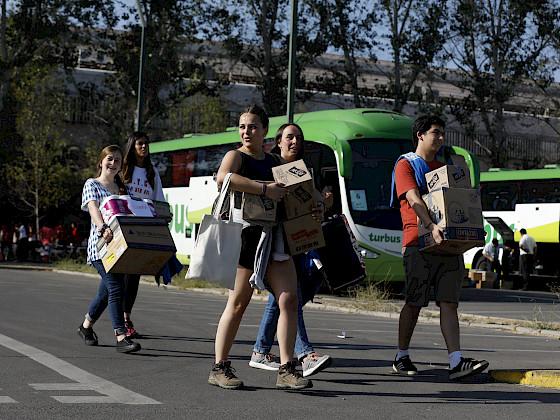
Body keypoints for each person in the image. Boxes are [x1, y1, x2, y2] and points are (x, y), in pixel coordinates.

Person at [209, 105, 312, 390]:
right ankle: (219, 367)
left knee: (289, 300)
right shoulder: (236, 156)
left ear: (265, 130)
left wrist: (316, 203)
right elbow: (224, 178)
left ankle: (287, 368)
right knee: (239, 303)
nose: (246, 131)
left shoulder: (275, 160)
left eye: (252, 127)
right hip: (247, 238)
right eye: (243, 126)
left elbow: (297, 194)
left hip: (276, 238)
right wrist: (266, 189)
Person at [390, 115, 489, 380]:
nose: (441, 138)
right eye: (436, 133)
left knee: (449, 302)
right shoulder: (406, 164)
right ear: (420, 135)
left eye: (443, 133)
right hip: (418, 243)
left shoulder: (443, 168)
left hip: (446, 244)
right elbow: (412, 197)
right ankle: (401, 355)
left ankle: (456, 362)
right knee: (414, 302)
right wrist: (430, 225)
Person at [249, 123, 332, 377]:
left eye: (299, 138)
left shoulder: (301, 170)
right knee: (290, 298)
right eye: (289, 137)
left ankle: (261, 350)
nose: (295, 141)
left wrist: (322, 206)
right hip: (273, 242)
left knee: (283, 299)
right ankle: (305, 355)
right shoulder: (270, 165)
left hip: (297, 242)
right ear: (279, 141)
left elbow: (314, 200)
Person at [78, 145, 141, 353]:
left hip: (120, 248)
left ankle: (86, 327)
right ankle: (121, 336)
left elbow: (132, 213)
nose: (113, 164)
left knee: (106, 293)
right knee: (116, 288)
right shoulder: (92, 184)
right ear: (101, 161)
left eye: (117, 161)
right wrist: (102, 227)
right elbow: (94, 209)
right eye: (109, 159)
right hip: (101, 248)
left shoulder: (123, 188)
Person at [121, 131, 168, 338]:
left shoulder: (152, 172)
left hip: (143, 229)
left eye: (146, 144)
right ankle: (98, 320)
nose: (144, 147)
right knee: (117, 278)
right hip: (122, 227)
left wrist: (165, 217)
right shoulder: (123, 171)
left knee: (134, 277)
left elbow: (159, 199)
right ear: (132, 146)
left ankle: (125, 318)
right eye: (140, 143)